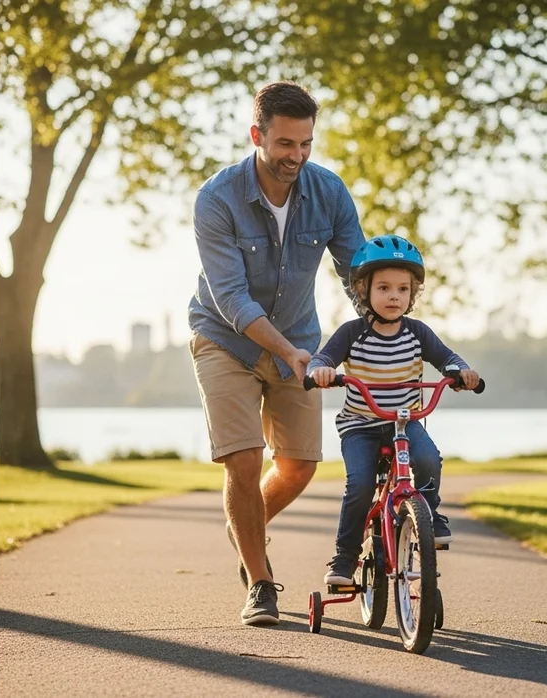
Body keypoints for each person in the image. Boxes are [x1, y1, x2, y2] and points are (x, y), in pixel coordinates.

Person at [188, 81, 366, 626]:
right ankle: (260, 582)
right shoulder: (217, 199)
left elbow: (357, 270)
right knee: (243, 460)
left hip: (301, 340)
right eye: (286, 144)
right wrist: (290, 353)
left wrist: (383, 327)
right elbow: (232, 298)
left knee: (299, 466)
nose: (297, 156)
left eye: (306, 143)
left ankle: (245, 525)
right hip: (226, 339)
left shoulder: (328, 192)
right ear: (257, 135)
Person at [306, 234, 480, 585]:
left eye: (403, 289)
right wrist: (320, 371)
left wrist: (461, 373)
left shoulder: (417, 333)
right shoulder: (352, 333)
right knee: (359, 484)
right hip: (361, 424)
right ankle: (344, 557)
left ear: (413, 294)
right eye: (384, 288)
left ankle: (429, 513)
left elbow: (447, 357)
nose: (394, 296)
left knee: (429, 458)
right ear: (362, 289)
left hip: (404, 422)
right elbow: (324, 357)